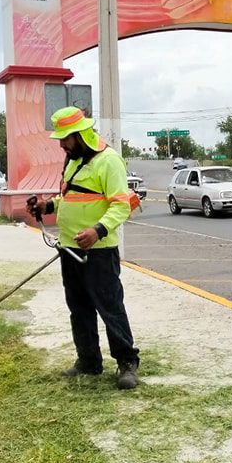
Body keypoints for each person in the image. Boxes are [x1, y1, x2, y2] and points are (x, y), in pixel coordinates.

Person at [27, 107, 141, 389]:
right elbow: (70, 196)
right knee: (79, 308)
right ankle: (89, 361)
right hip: (69, 249)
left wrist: (97, 230)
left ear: (81, 135)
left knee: (110, 307)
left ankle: (127, 362)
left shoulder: (109, 161)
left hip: (99, 251)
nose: (61, 144)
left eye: (65, 138)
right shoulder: (72, 160)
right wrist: (48, 205)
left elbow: (121, 204)